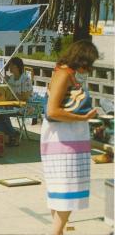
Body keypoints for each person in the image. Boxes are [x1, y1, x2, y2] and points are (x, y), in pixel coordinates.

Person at [42, 40, 99, 235]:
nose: (89, 68)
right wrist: (82, 117)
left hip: (66, 138)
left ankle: (58, 231)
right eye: (88, 63)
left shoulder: (67, 73)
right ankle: (56, 233)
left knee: (61, 189)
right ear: (80, 59)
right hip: (63, 140)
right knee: (67, 188)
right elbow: (53, 111)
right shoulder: (64, 74)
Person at [0, 57, 33, 145]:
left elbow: (25, 97)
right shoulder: (11, 78)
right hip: (12, 104)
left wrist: (12, 95)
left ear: (16, 66)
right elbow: (6, 93)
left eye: (10, 65)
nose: (9, 67)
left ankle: (11, 133)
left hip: (25, 106)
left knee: (1, 111)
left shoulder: (25, 79)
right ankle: (2, 134)